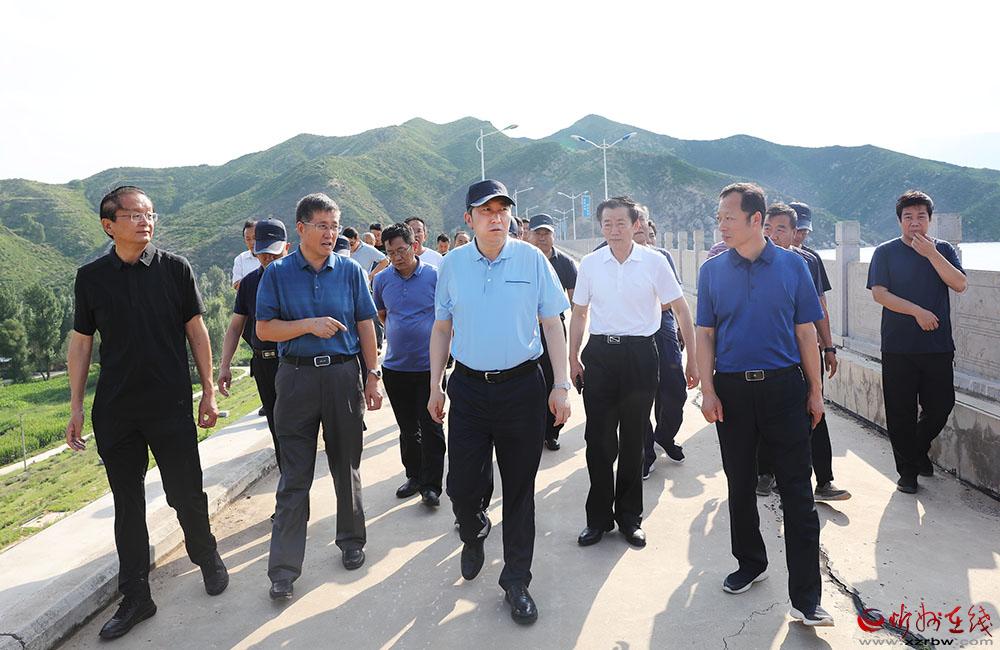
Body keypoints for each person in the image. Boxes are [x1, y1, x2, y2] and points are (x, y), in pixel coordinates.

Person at [65, 186, 228, 640]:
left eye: (150, 214)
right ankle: (136, 596)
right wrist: (75, 406)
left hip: (169, 404)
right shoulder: (91, 277)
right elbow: (82, 344)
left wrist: (208, 391)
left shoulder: (175, 269)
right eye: (135, 215)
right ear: (109, 225)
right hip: (115, 410)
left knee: (185, 493)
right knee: (127, 504)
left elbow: (197, 332)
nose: (145, 222)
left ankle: (206, 556)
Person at [428, 179, 570, 625]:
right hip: (469, 389)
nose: (496, 218)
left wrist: (561, 384)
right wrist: (435, 386)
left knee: (520, 490)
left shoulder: (531, 259)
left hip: (522, 388)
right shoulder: (452, 265)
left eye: (502, 210)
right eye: (485, 211)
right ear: (468, 219)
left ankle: (516, 581)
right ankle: (473, 530)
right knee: (461, 485)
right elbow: (442, 328)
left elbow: (552, 323)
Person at [696, 182, 832, 627]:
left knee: (797, 490)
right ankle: (750, 563)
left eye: (729, 218)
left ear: (756, 220)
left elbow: (806, 332)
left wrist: (815, 390)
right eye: (719, 218)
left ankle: (807, 597)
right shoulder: (712, 271)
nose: (722, 225)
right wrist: (709, 390)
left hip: (783, 388)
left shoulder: (794, 266)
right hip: (732, 392)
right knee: (739, 484)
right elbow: (705, 335)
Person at [256, 193, 383, 600]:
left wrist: (372, 374)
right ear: (301, 228)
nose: (330, 234)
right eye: (322, 226)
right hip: (296, 379)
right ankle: (283, 569)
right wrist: (308, 325)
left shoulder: (349, 271)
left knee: (347, 464)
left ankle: (352, 540)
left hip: (343, 375)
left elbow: (365, 324)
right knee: (295, 475)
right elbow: (264, 329)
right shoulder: (277, 274)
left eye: (334, 226)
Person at [570, 196, 697, 550]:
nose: (614, 230)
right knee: (598, 441)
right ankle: (597, 519)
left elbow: (681, 309)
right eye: (607, 224)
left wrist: (693, 359)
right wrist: (573, 358)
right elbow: (579, 313)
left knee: (633, 440)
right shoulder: (591, 264)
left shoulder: (654, 262)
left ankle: (629, 518)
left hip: (641, 354)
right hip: (600, 355)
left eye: (621, 223)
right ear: (601, 227)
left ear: (635, 224)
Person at [867, 190, 966, 494]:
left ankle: (917, 450)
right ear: (900, 221)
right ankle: (907, 473)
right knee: (900, 412)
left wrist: (931, 254)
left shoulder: (943, 250)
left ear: (929, 219)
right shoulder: (885, 252)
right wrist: (917, 311)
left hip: (937, 345)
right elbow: (879, 294)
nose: (914, 222)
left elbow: (959, 284)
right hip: (898, 346)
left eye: (921, 216)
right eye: (908, 217)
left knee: (941, 406)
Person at [761, 204, 849, 501]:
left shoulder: (808, 262)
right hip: (770, 353)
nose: (773, 235)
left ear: (795, 232)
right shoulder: (750, 262)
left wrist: (829, 346)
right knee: (769, 413)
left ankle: (824, 481)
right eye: (768, 228)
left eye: (781, 229)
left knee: (815, 410)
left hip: (806, 350)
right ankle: (766, 473)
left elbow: (819, 308)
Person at [373, 223, 445, 506]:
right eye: (390, 253)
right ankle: (414, 476)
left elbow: (446, 316)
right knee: (407, 428)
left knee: (432, 426)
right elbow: (382, 314)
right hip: (396, 367)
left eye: (401, 250)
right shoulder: (382, 280)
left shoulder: (434, 276)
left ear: (414, 246)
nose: (397, 257)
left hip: (429, 366)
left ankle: (432, 486)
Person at [217, 218, 290, 472]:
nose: (267, 258)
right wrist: (225, 365)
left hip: (294, 362)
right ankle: (288, 482)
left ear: (287, 247)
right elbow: (235, 327)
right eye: (262, 253)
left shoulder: (299, 279)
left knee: (298, 425)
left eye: (274, 253)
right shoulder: (249, 283)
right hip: (264, 364)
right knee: (276, 426)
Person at [631, 208, 690, 478]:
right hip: (631, 333)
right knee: (638, 395)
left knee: (675, 390)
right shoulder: (607, 256)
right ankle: (645, 452)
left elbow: (672, 300)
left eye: (642, 220)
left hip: (663, 327)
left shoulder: (661, 256)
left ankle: (665, 436)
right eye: (633, 220)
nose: (639, 226)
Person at [527, 213, 577, 451]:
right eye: (537, 233)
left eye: (546, 233)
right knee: (530, 382)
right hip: (526, 330)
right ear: (529, 235)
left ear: (553, 236)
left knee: (554, 379)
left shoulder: (565, 263)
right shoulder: (523, 260)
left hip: (553, 330)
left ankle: (552, 431)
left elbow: (575, 301)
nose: (542, 237)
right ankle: (532, 431)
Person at [232, 219, 261, 289]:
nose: (252, 242)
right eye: (248, 239)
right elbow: (236, 285)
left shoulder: (271, 257)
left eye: (255, 238)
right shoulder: (240, 259)